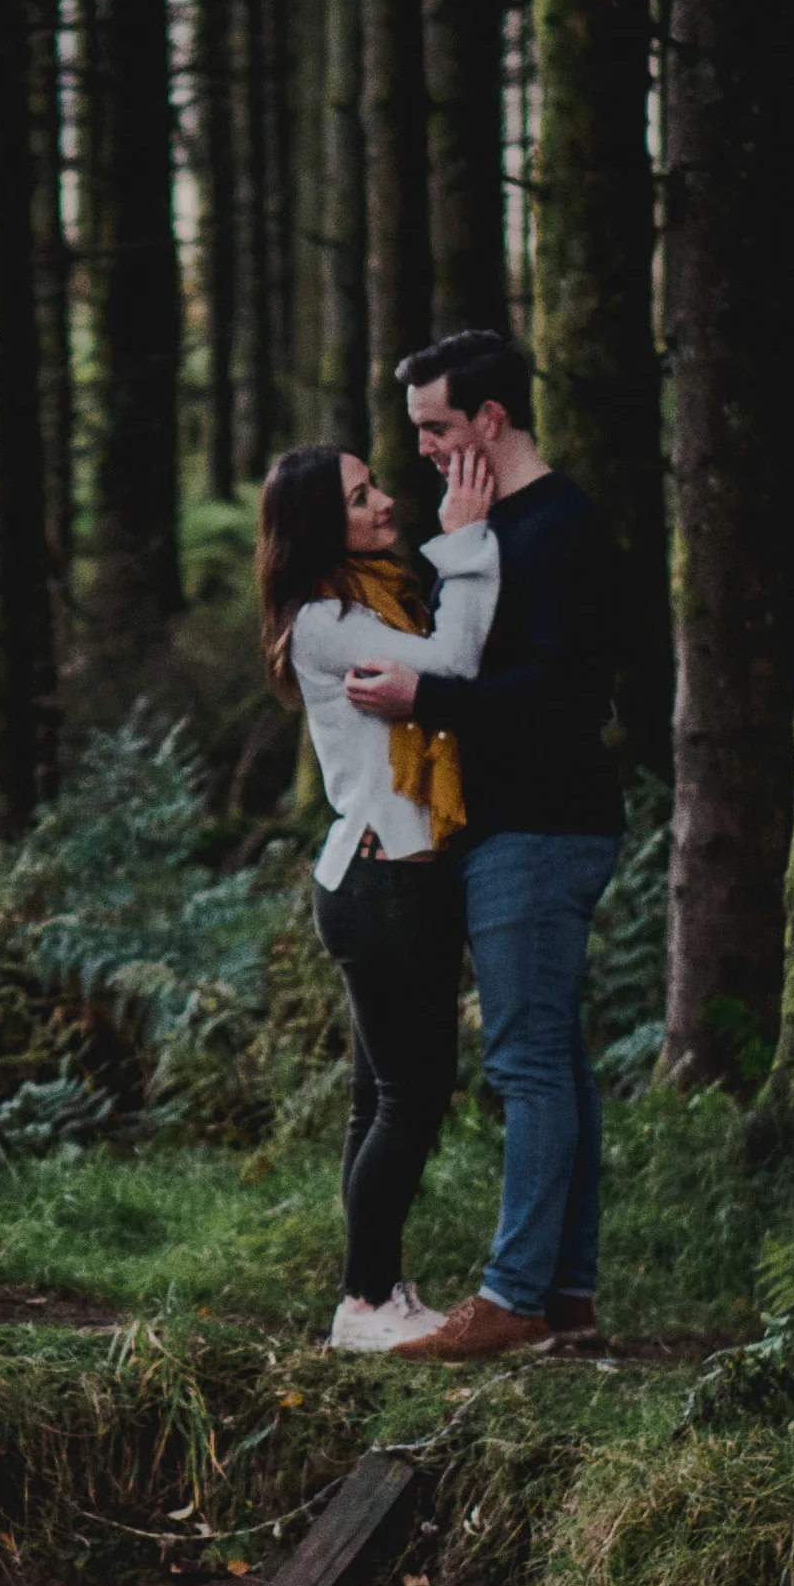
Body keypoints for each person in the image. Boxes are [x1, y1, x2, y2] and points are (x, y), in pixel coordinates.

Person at [344, 329, 622, 1360]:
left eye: (436, 426)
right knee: (555, 1063)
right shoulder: (495, 523)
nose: (419, 448)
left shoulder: (559, 530)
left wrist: (430, 698)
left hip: (544, 828)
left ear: (491, 421)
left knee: (527, 1065)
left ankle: (510, 1300)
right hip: (514, 826)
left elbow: (565, 696)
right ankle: (564, 1296)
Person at [256, 436, 499, 1354]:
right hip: (383, 882)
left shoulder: (371, 600)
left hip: (380, 877)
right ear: (324, 525)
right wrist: (468, 541)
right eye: (362, 500)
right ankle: (364, 1303)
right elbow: (456, 664)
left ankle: (371, 1292)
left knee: (379, 1100)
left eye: (376, 488)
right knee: (411, 1096)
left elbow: (432, 661)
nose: (386, 504)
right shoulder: (328, 620)